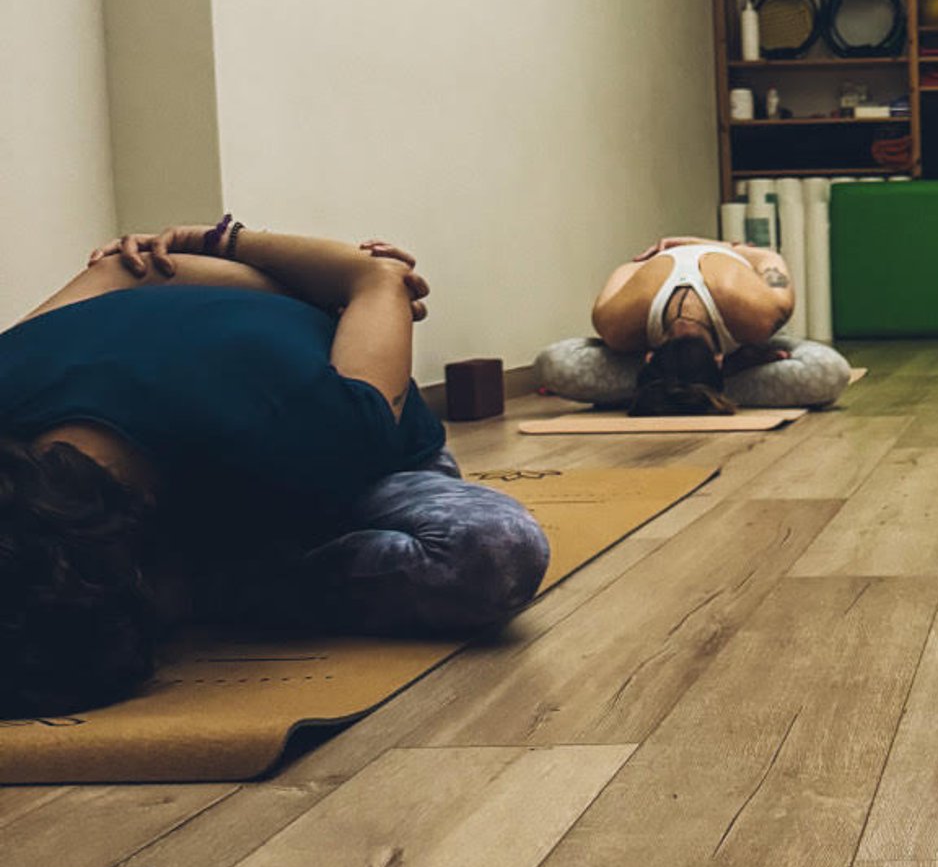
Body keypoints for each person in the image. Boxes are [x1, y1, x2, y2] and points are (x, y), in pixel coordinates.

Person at [0, 219, 549, 719]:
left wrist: (219, 239)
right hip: (226, 448)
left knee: (487, 552)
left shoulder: (308, 429)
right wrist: (297, 286)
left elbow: (379, 278)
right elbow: (121, 270)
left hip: (331, 467)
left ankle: (205, 589)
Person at [535, 234, 852, 415]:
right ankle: (686, 389)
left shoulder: (616, 326)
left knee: (555, 364)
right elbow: (769, 259)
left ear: (646, 357)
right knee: (824, 374)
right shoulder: (765, 310)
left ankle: (676, 389)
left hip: (730, 294)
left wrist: (712, 247)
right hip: (724, 302)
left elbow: (627, 269)